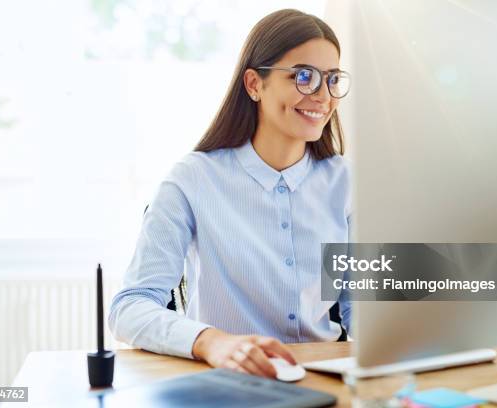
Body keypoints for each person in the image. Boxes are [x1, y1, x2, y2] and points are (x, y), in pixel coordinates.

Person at [109, 8, 352, 379]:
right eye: (304, 77)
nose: (322, 95)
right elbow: (129, 307)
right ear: (255, 84)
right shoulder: (192, 180)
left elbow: (363, 307)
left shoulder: (346, 183)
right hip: (228, 380)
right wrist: (213, 342)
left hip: (326, 378)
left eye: (332, 80)